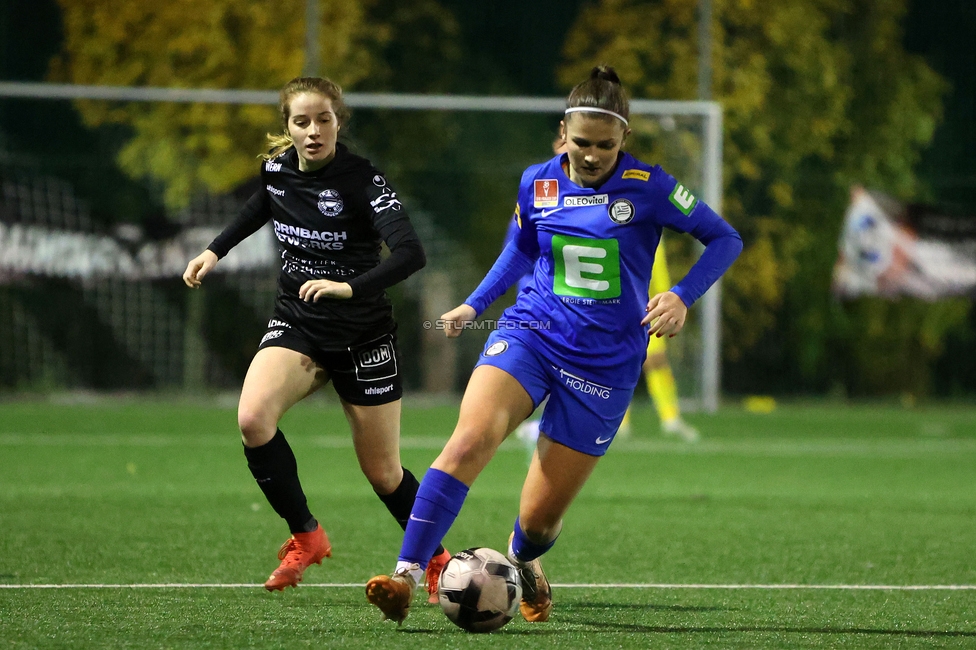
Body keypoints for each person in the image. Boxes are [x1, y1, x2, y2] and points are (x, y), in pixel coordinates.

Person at [364, 65, 742, 625]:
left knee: (539, 519)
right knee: (469, 441)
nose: (591, 155)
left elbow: (725, 238)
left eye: (605, 146)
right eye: (582, 142)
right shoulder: (537, 181)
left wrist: (683, 295)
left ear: (624, 140)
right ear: (563, 131)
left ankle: (522, 560)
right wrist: (474, 304)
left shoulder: (652, 187)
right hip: (531, 333)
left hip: (606, 364)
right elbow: (518, 251)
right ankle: (406, 575)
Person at [182, 76, 451, 602]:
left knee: (383, 474)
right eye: (301, 122)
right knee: (252, 419)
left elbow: (410, 253)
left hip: (363, 335)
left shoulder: (363, 180)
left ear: (338, 122)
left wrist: (349, 287)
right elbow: (263, 204)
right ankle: (306, 535)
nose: (313, 131)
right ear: (286, 127)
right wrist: (214, 250)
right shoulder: (278, 169)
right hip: (299, 325)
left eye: (323, 119)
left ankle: (437, 559)